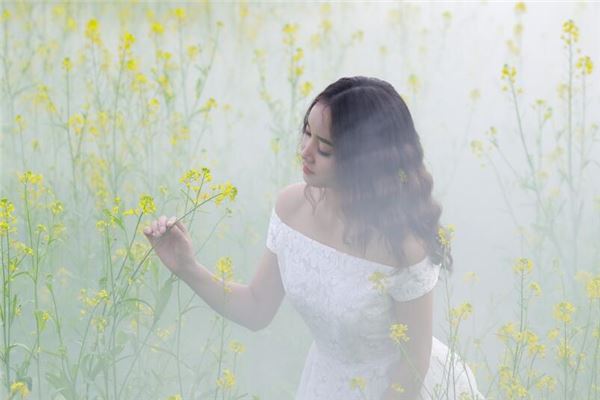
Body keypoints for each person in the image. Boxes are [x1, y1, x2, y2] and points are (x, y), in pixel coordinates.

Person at [143, 76, 486, 399]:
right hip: (327, 382)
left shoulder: (402, 247)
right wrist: (187, 267)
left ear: (365, 160)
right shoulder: (291, 207)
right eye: (307, 133)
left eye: (324, 148)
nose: (305, 151)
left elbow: (413, 365)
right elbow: (256, 308)